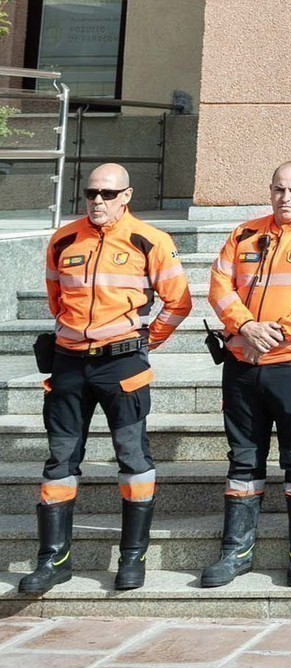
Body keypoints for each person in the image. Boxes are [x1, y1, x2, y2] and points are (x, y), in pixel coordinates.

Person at [19, 163, 191, 595]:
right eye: (91, 192)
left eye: (108, 194)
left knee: (132, 458)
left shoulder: (151, 240)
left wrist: (145, 340)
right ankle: (53, 559)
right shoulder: (63, 238)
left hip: (122, 364)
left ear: (127, 196)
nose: (98, 200)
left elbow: (178, 301)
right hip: (69, 363)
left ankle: (133, 558)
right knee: (59, 460)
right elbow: (56, 299)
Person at [201, 161, 291, 588]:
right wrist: (246, 326)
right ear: (270, 192)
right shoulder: (244, 233)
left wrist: (278, 333)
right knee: (243, 457)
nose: (286, 198)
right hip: (242, 363)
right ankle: (236, 552)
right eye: (279, 190)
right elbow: (219, 285)